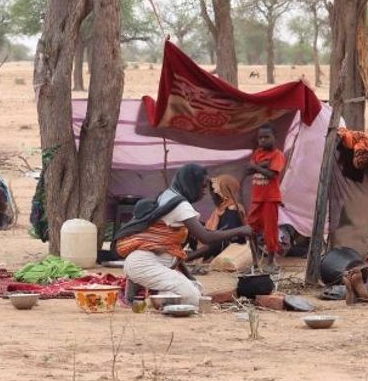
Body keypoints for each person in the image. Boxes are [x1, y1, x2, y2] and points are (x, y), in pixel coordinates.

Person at [115, 164, 253, 306]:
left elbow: (176, 252)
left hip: (142, 263)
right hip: (143, 265)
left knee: (197, 287)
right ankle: (148, 299)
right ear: (191, 184)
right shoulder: (180, 206)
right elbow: (205, 237)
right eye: (203, 186)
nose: (206, 191)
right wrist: (241, 230)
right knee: (193, 298)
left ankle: (143, 294)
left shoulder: (169, 195)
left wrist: (191, 279)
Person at [244, 125, 285, 272]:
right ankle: (255, 261)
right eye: (260, 138)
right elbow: (248, 170)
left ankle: (271, 261)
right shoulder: (258, 153)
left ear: (275, 138)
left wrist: (256, 166)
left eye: (266, 137)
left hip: (270, 198)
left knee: (270, 231)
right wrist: (261, 165)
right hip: (257, 198)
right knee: (250, 229)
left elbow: (272, 174)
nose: (262, 140)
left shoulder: (277, 155)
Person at [185, 174, 245, 262]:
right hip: (216, 239)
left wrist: (207, 232)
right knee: (190, 226)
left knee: (217, 240)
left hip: (228, 248)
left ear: (223, 194)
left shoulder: (234, 210)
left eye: (215, 194)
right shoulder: (220, 210)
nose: (213, 197)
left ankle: (187, 258)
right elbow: (213, 229)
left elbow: (226, 236)